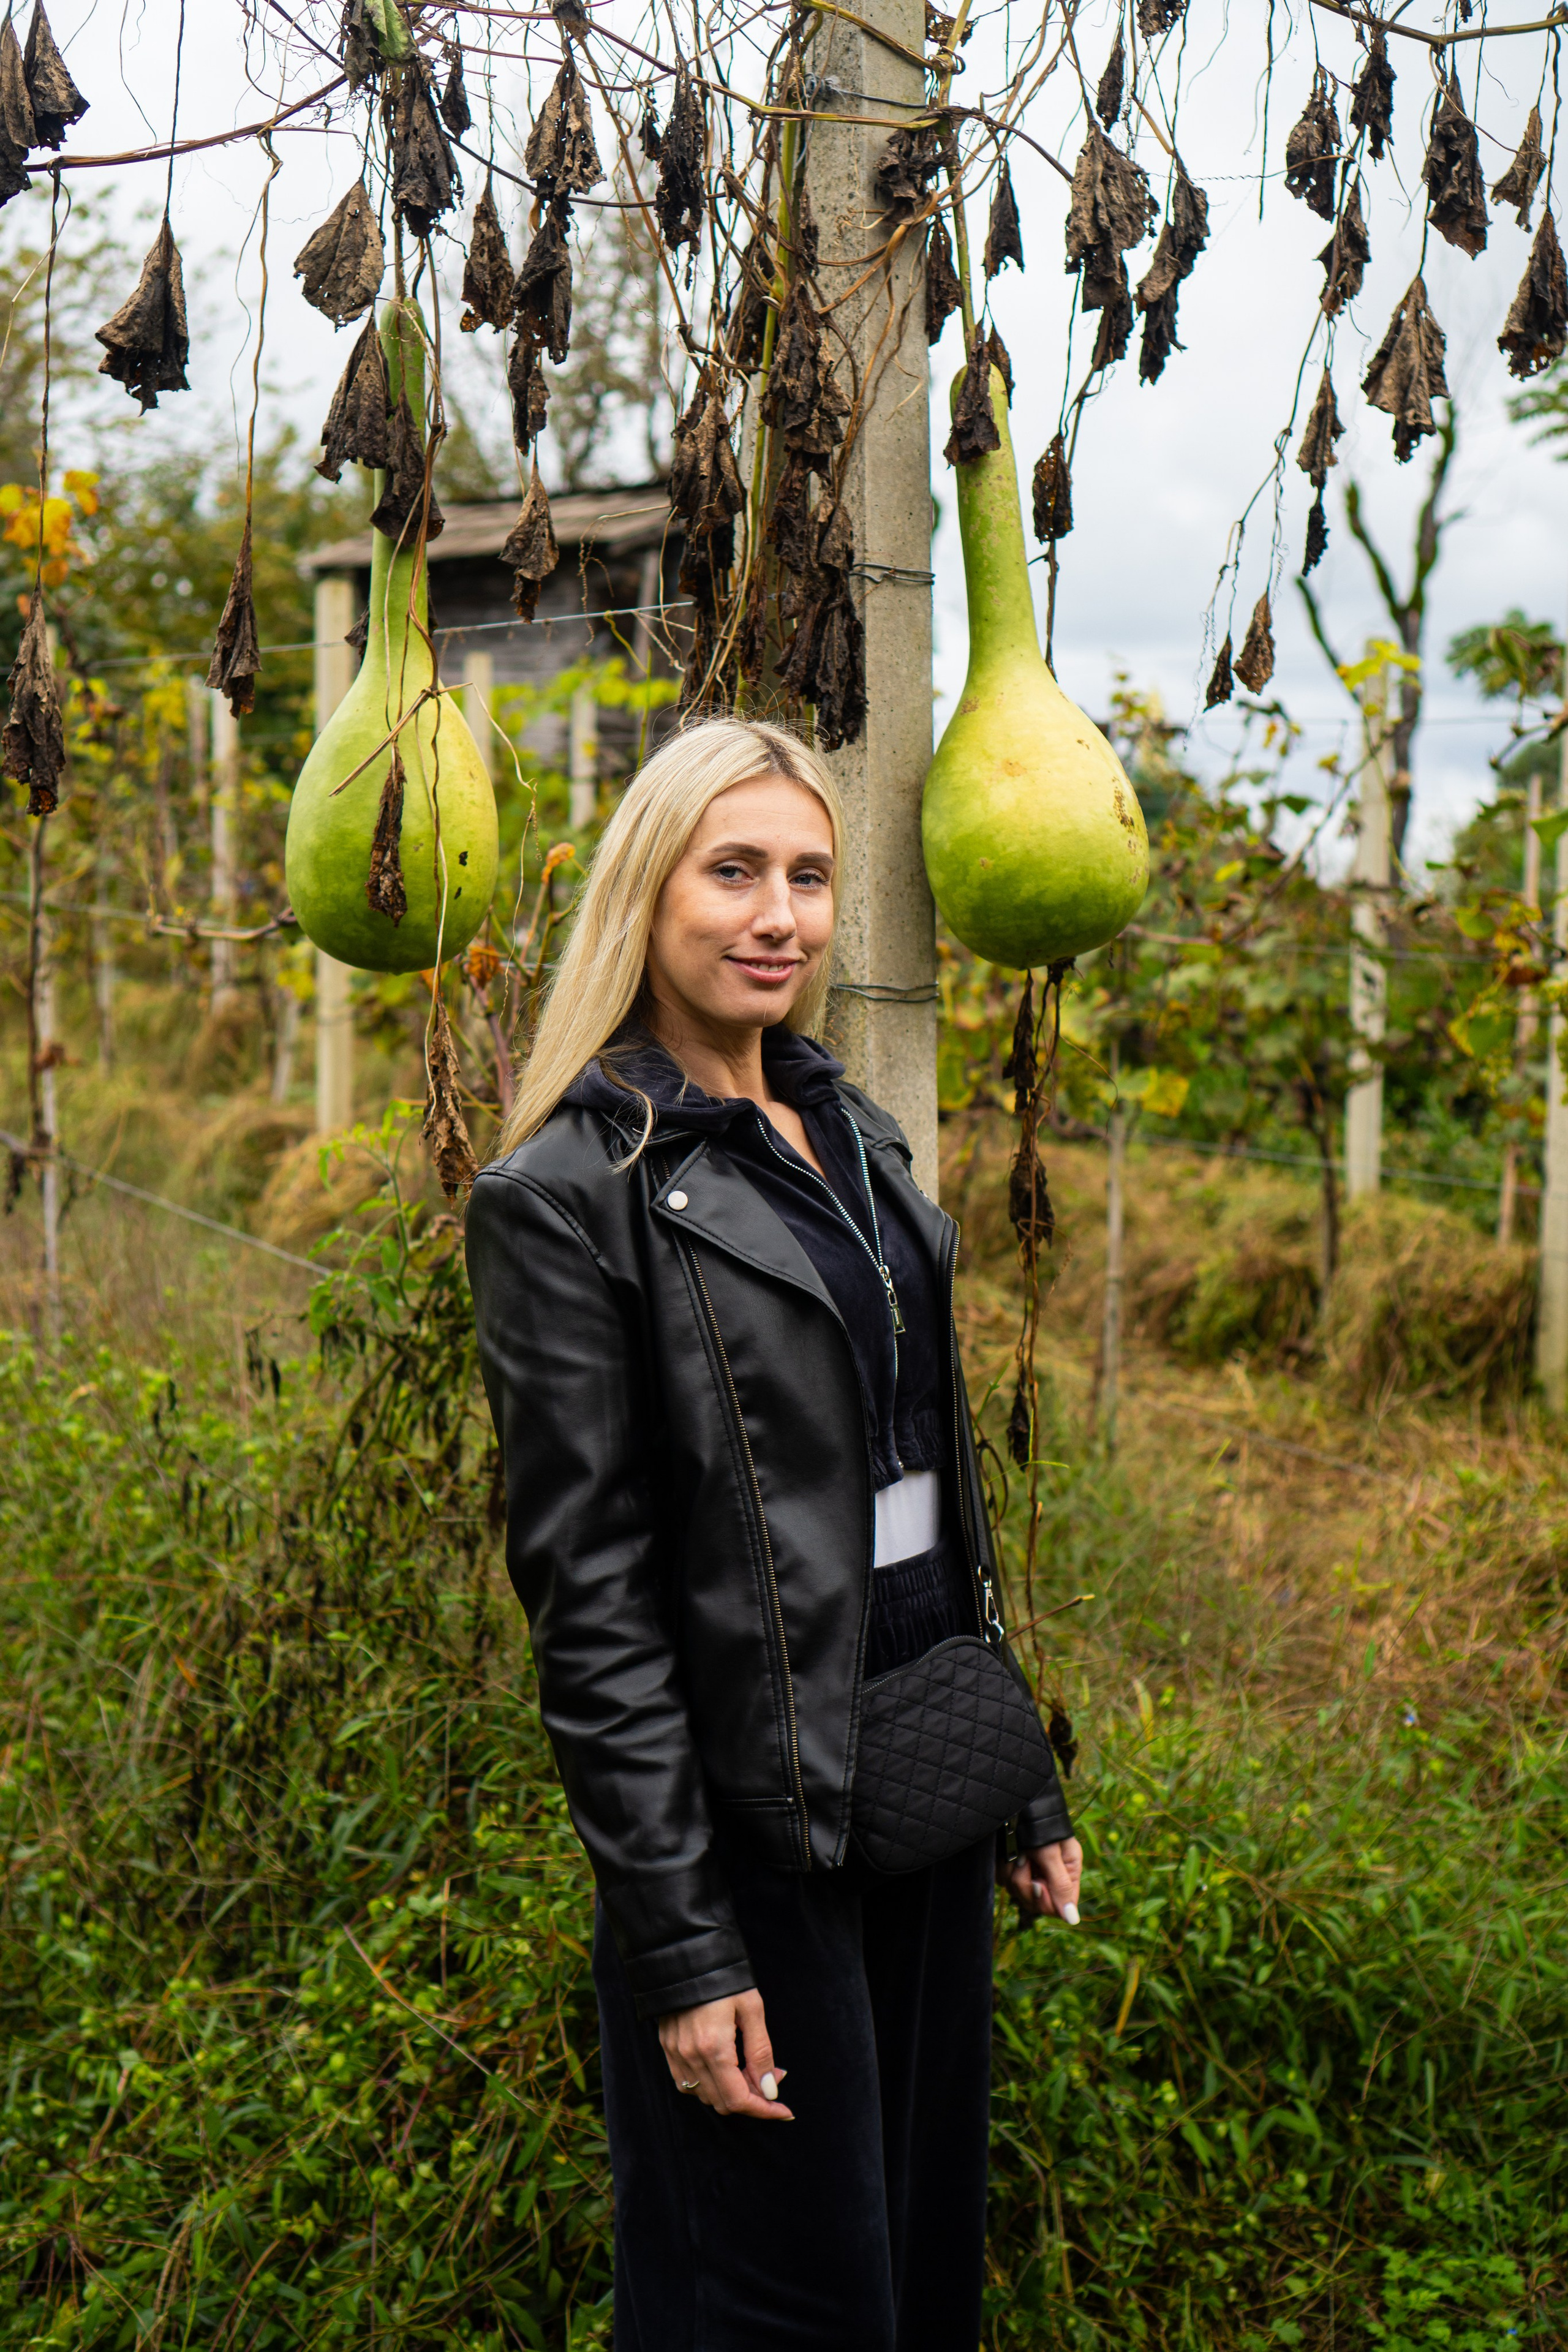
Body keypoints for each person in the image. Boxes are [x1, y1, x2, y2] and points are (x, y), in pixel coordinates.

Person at [466, 715, 1083, 2352]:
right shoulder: (569, 1193)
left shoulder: (859, 1146)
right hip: (754, 1839)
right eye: (733, 870)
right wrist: (682, 1946)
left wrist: (1014, 1772)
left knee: (910, 2272)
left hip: (919, 1800)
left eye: (808, 877)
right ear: (646, 894)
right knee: (770, 2306)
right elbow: (591, 1612)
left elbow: (931, 1489)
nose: (779, 915)